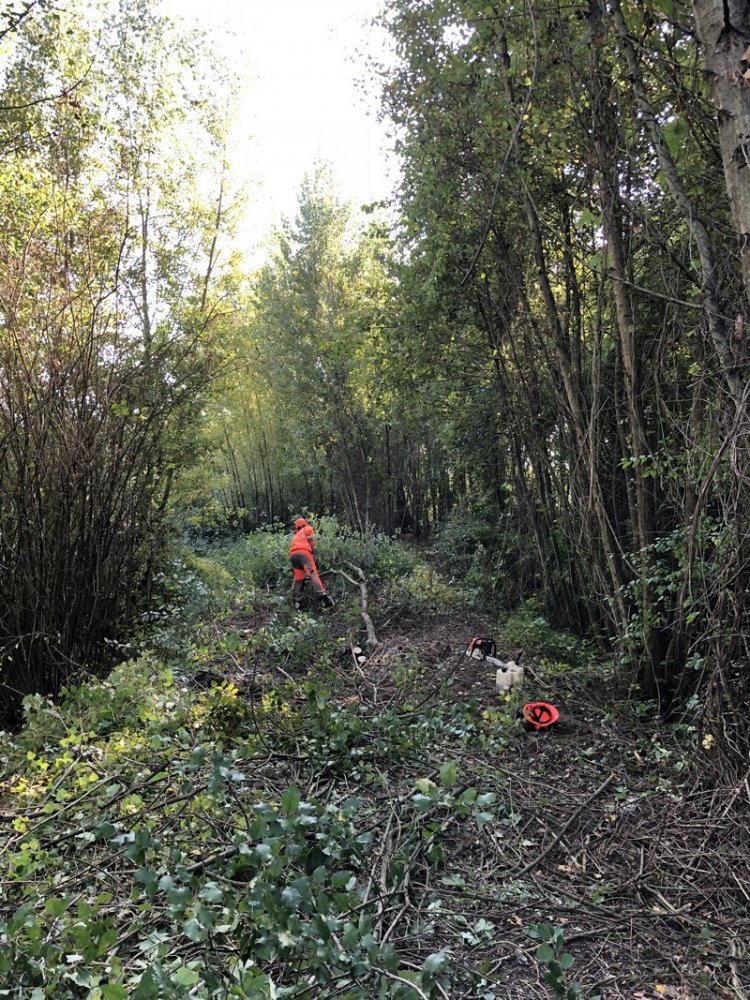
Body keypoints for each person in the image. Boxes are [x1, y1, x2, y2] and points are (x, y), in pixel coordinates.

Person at [289, 517, 334, 607]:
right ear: (304, 523)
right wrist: (313, 548)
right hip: (304, 553)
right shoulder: (307, 528)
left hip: (293, 555)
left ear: (296, 526)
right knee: (312, 573)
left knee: (299, 578)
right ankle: (322, 595)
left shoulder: (295, 536)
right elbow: (310, 537)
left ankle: (298, 600)